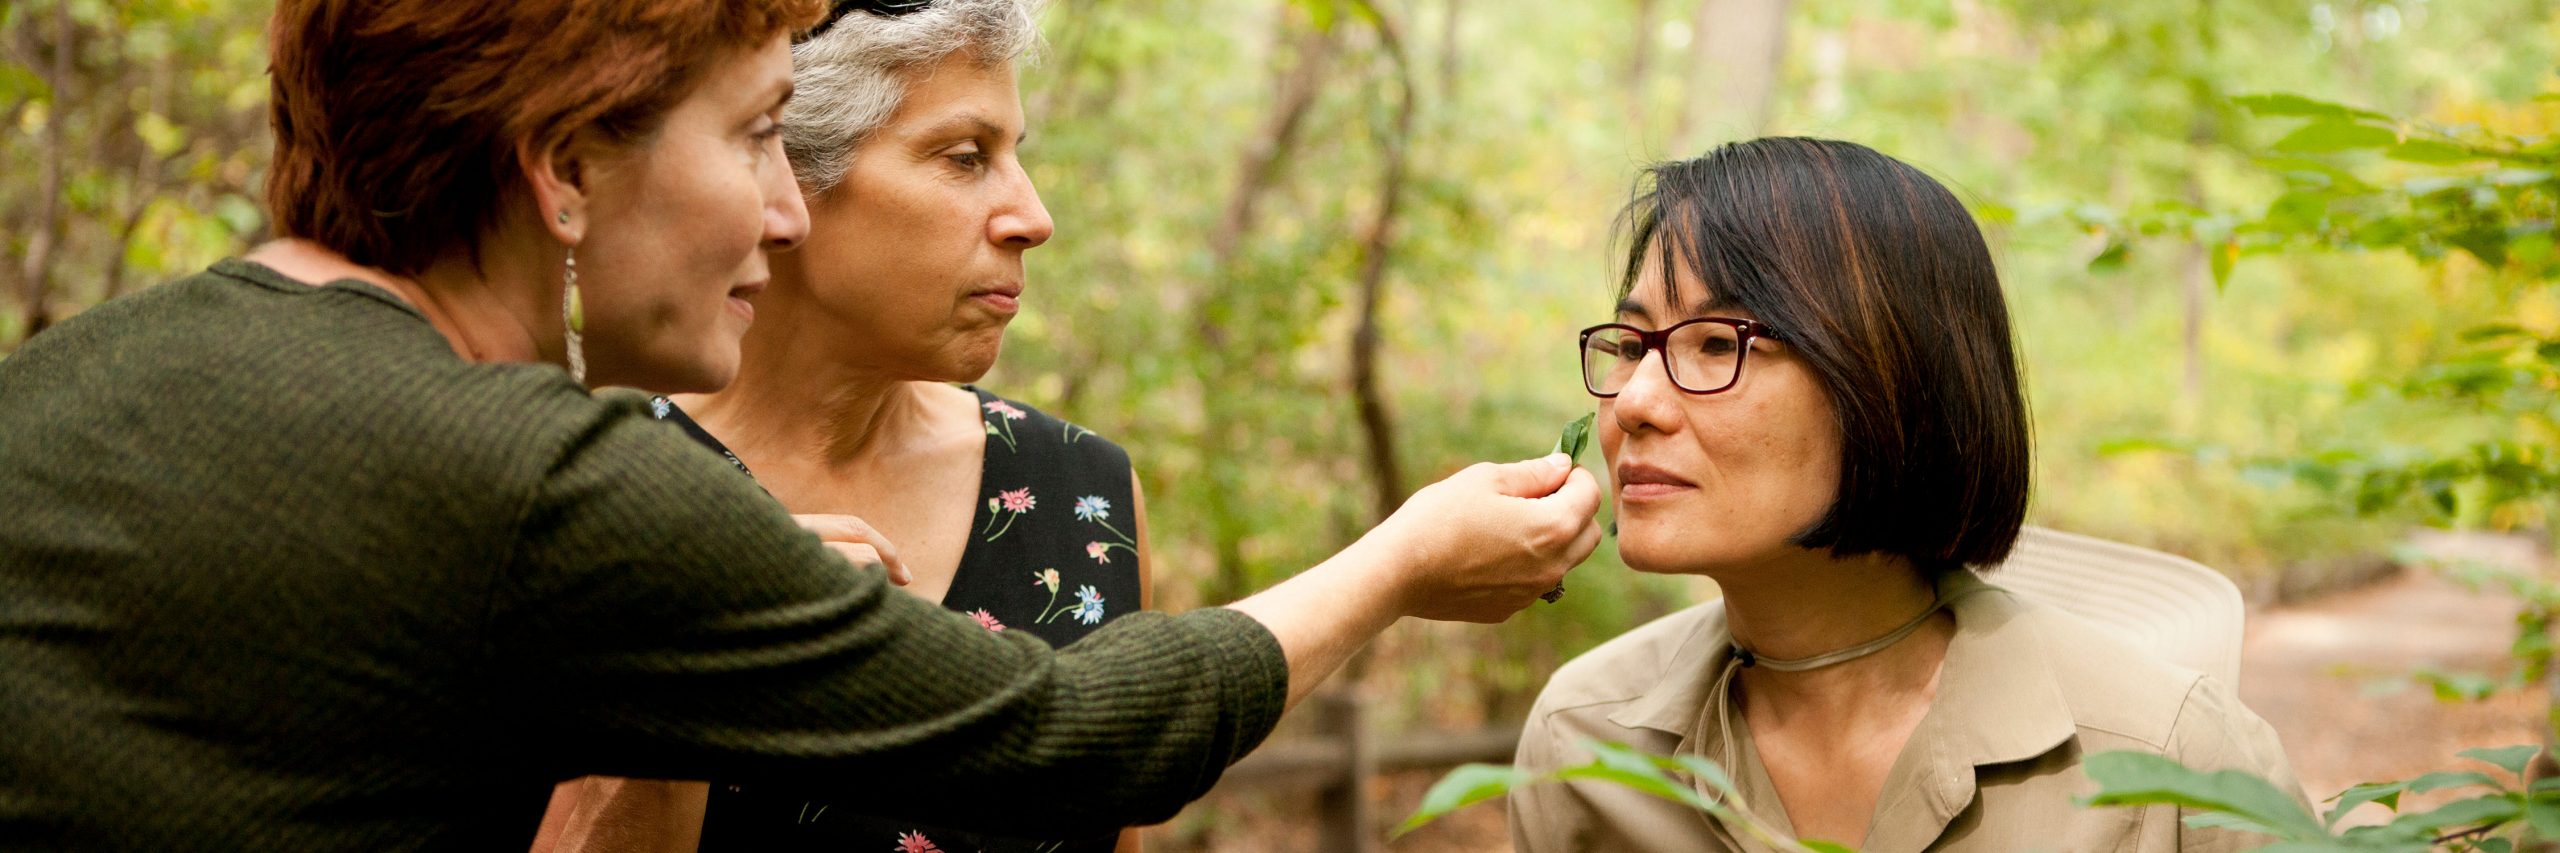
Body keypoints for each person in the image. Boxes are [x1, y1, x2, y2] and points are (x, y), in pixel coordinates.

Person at [0, 1, 1605, 849]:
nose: (779, 209)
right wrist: (1404, 557)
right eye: (759, 136)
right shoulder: (544, 479)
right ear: (564, 166)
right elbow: (1057, 740)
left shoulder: (68, 383)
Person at [1506, 138, 2303, 852]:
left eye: (1717, 343)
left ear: (1893, 382)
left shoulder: (2174, 765)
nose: (1636, 401)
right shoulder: (1584, 740)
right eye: (1630, 344)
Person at [536, 3, 1161, 851]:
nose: (1032, 216)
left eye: (1018, 157)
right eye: (966, 157)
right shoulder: (584, 489)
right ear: (783, 170)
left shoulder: (1084, 493)